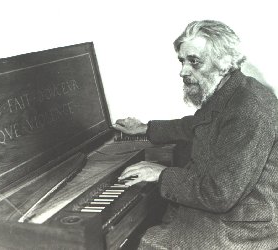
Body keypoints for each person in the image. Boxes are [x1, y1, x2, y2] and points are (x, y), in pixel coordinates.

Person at [114, 20, 278, 249]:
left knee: (146, 241)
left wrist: (161, 173)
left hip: (245, 228)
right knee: (149, 224)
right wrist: (146, 128)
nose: (183, 71)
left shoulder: (249, 108)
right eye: (182, 61)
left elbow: (219, 193)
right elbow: (198, 124)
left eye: (194, 62)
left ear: (225, 62)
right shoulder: (231, 92)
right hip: (233, 212)